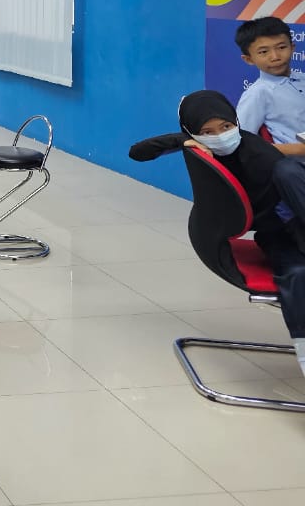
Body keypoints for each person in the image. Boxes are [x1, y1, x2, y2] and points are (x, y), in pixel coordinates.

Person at [130, 90, 305, 379]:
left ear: (236, 122)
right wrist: (181, 141)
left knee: (297, 271)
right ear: (192, 132)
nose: (220, 136)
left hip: (288, 225)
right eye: (207, 132)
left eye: (226, 127)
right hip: (275, 233)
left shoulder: (262, 156)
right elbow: (137, 152)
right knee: (297, 272)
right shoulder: (197, 144)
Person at [234, 16, 305, 155]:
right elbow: (242, 142)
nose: (275, 57)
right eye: (263, 52)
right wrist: (299, 149)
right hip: (295, 164)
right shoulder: (258, 93)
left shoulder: (303, 79)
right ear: (249, 59)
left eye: (281, 47)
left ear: (292, 48)